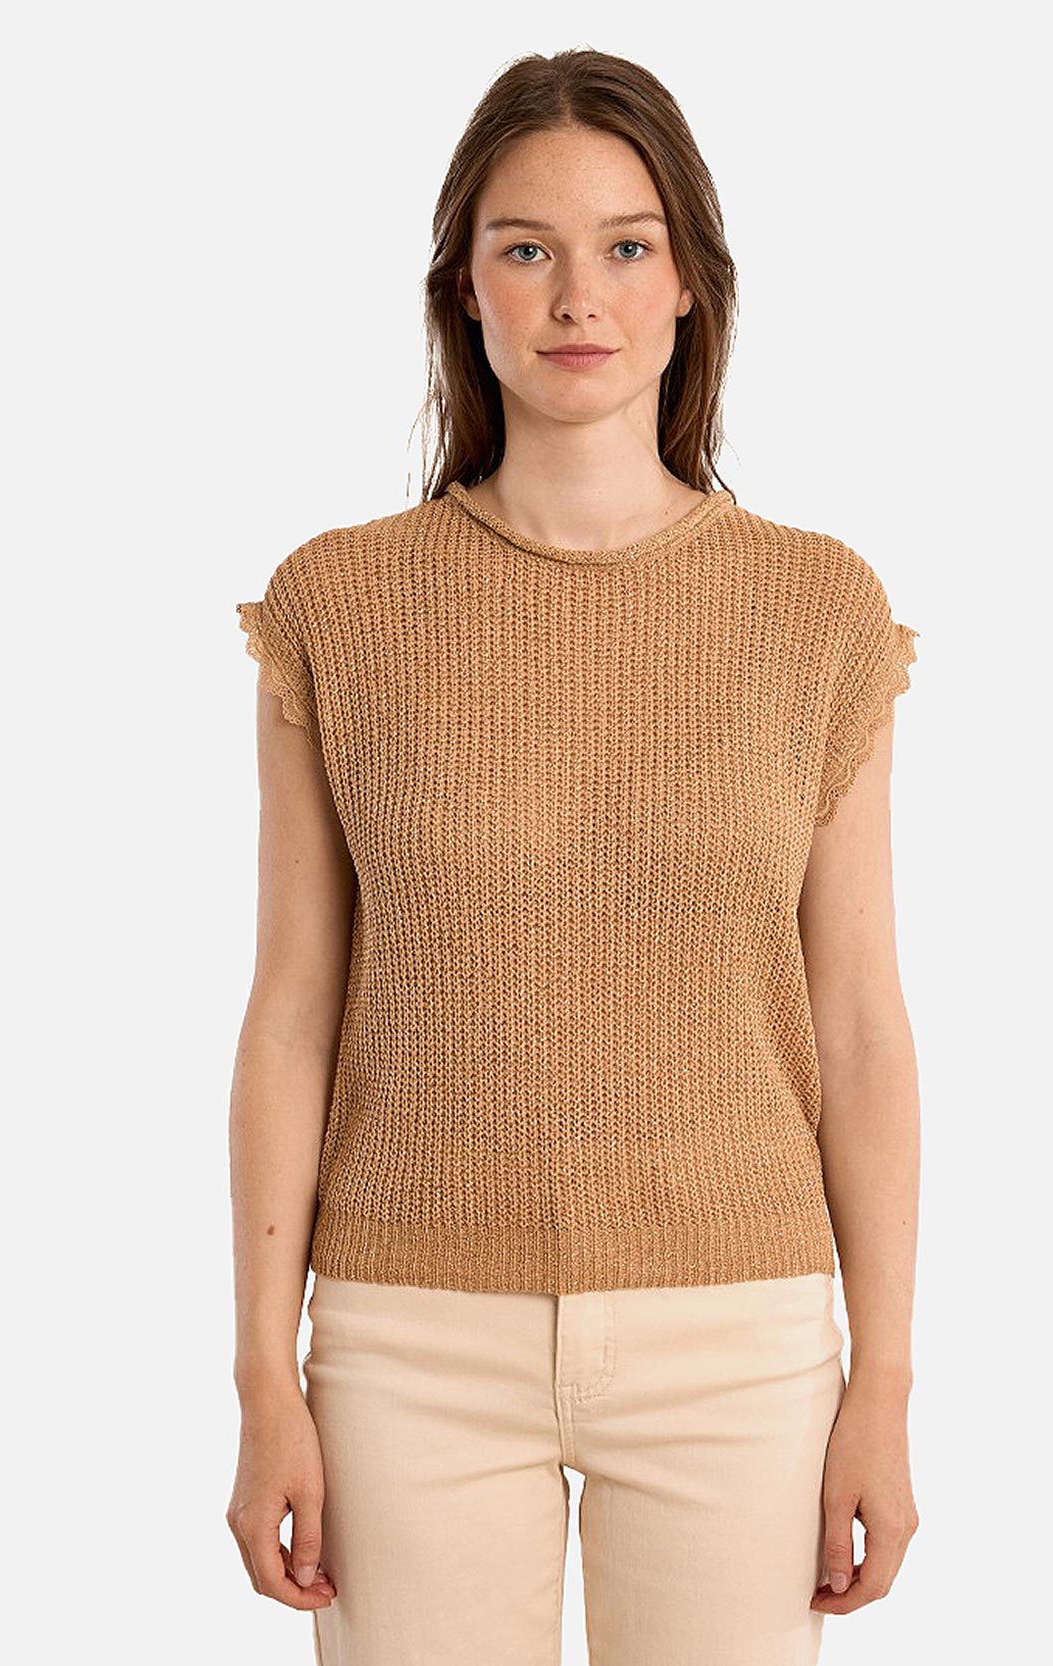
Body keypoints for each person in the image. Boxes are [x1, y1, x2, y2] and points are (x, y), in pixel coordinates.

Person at [224, 48, 923, 1665]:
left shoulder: (814, 608)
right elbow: (291, 1015)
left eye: (625, 244)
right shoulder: (341, 605)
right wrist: (265, 1375)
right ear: (462, 289)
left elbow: (862, 1027)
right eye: (525, 247)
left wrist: (881, 1383)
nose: (576, 296)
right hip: (408, 1340)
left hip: (739, 1337)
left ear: (689, 285)